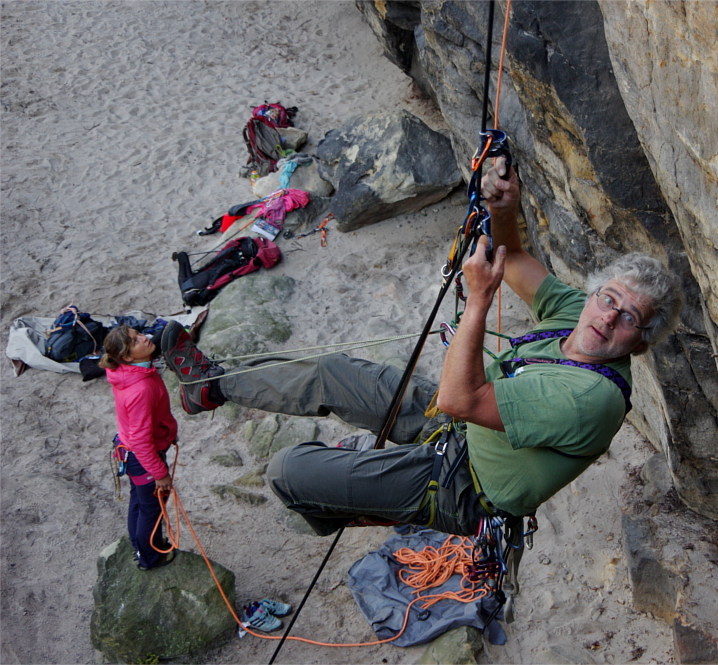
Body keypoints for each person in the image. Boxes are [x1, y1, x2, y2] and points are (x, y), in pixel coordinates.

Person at [159, 157, 683, 537]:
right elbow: (512, 255)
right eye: (609, 298)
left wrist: (477, 301)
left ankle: (338, 508)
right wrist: (505, 207)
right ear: (595, 292)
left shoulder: (592, 397)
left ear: (640, 341)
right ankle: (211, 387)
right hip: (458, 427)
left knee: (288, 470)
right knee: (334, 372)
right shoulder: (576, 312)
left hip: (464, 487)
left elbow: (463, 398)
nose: (608, 316)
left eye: (628, 317)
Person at [101, 325, 177, 570]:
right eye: (135, 341)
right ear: (126, 357)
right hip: (142, 455)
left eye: (139, 334)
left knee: (139, 502)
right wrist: (160, 473)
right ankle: (150, 557)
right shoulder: (140, 388)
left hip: (129, 449)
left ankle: (139, 546)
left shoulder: (129, 371)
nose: (144, 338)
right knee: (151, 509)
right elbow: (142, 440)